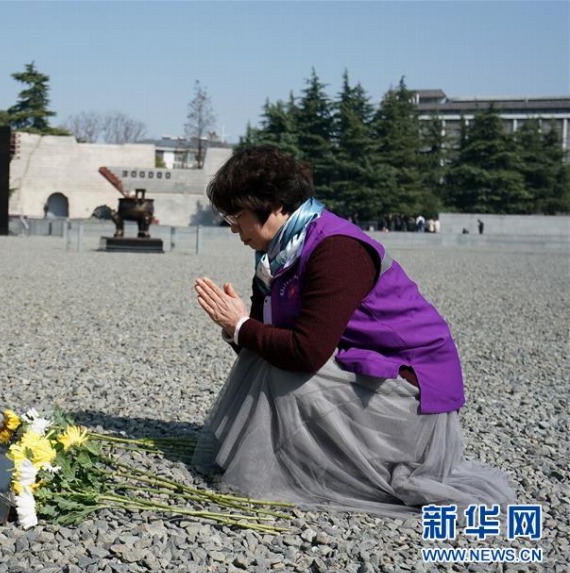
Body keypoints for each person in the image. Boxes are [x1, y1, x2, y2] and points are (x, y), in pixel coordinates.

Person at [192, 146, 514, 516]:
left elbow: (306, 353)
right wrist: (237, 328)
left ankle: (336, 466)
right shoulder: (276, 257)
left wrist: (242, 326)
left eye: (238, 215)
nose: (233, 227)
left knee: (284, 365)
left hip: (411, 392)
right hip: (364, 371)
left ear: (275, 204)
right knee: (267, 362)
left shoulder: (337, 249)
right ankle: (306, 460)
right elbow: (269, 348)